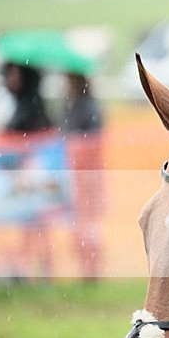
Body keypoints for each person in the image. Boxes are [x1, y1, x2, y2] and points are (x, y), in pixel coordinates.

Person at [59, 72, 104, 280]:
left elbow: (89, 140)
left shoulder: (88, 108)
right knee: (81, 225)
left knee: (89, 226)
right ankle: (86, 267)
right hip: (77, 175)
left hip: (87, 177)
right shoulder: (72, 106)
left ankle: (91, 268)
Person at [1, 62, 53, 134]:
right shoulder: (20, 100)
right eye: (8, 74)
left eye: (14, 74)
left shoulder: (30, 105)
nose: (10, 79)